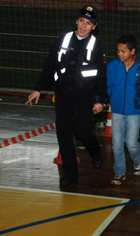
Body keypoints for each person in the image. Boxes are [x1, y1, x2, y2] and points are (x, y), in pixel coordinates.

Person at [25, 5, 108, 186]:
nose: (83, 26)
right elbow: (49, 64)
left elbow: (102, 75)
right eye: (81, 21)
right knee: (63, 134)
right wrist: (38, 88)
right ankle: (71, 173)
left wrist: (102, 100)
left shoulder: (97, 45)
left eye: (88, 23)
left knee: (83, 132)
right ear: (76, 21)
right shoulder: (64, 39)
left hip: (84, 96)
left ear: (94, 26)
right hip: (63, 95)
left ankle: (95, 152)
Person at [107, 35, 140, 185]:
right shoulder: (113, 66)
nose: (120, 54)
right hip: (116, 111)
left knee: (131, 142)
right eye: (118, 51)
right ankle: (119, 172)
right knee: (116, 144)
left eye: (123, 51)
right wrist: (104, 100)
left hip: (135, 111)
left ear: (132, 51)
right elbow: (108, 86)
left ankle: (139, 159)